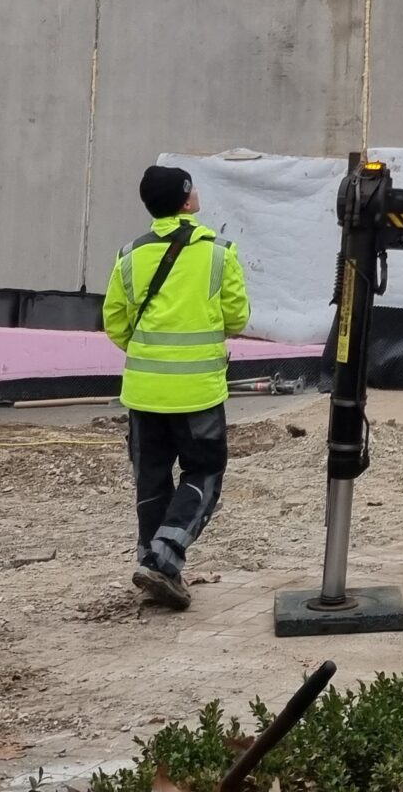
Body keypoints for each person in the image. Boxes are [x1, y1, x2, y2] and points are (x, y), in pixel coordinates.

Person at [102, 162, 250, 608]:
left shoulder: (129, 254)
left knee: (151, 477)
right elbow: (238, 319)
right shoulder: (220, 253)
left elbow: (115, 322)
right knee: (204, 473)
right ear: (188, 199)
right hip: (199, 392)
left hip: (144, 391)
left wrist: (150, 352)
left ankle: (151, 560)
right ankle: (164, 559)